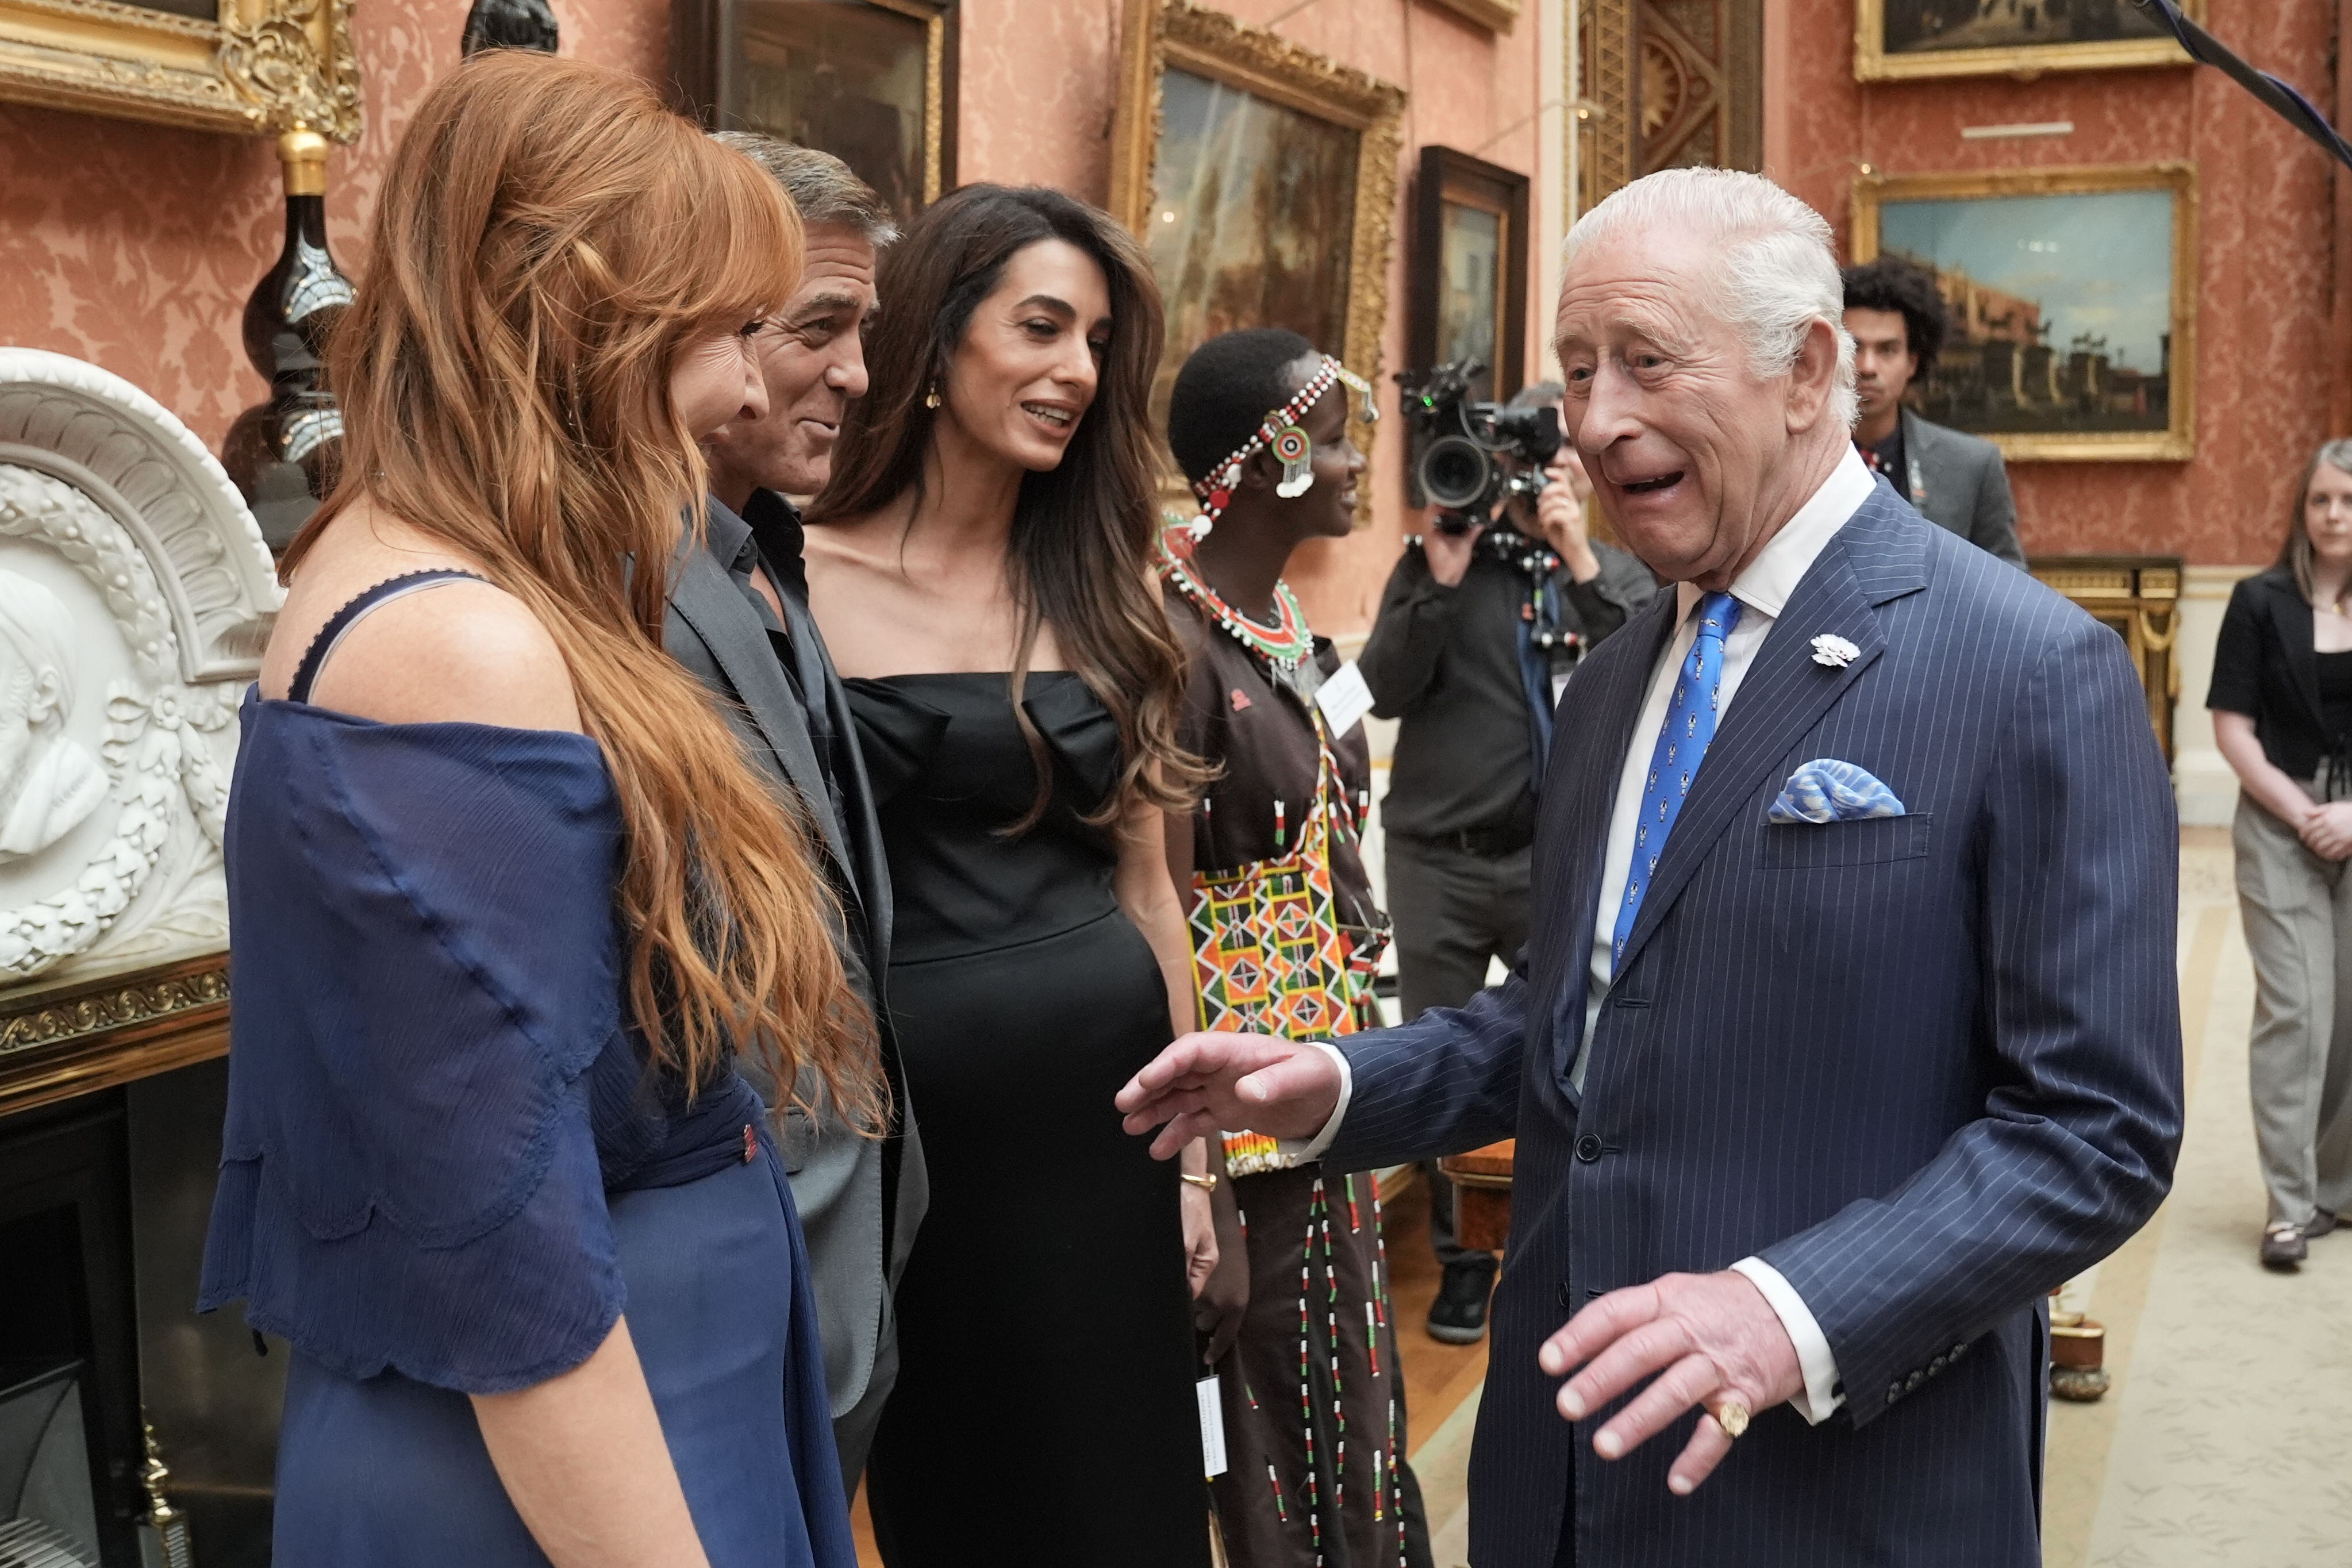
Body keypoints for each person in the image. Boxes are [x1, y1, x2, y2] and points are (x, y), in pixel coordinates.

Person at [1119, 167, 2184, 1567]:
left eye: (1643, 361)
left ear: (1807, 370)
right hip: (1558, 1467)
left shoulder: (2026, 667)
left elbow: (2093, 1129)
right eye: (1573, 370)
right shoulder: (1618, 674)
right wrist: (1338, 1081)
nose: (1597, 418)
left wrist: (1787, 1307)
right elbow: (1572, 1015)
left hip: (1834, 1484)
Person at [194, 55, 868, 1567]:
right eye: (728, 333)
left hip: (648, 1408)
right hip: (574, 1476)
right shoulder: (455, 643)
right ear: (592, 318)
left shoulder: (442, 584)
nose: (749, 390)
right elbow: (506, 1253)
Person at [801, 183, 1216, 1566]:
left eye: (1097, 342)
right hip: (912, 1149)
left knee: (1129, 1504)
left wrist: (1198, 1157)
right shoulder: (788, 578)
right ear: (929, 338)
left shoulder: (1108, 583)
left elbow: (1153, 890)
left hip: (1107, 1131)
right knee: (962, 1503)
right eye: (1041, 326)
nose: (1076, 373)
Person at [672, 132, 925, 1490]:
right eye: (819, 327)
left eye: (864, 329)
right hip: (723, 1285)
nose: (859, 374)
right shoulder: (610, 597)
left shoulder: (769, 549)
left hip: (841, 1265)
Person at [1158, 328, 1433, 1568]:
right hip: (1241, 1106)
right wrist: (1202, 1168)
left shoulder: (1280, 623)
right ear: (1266, 454)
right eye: (1328, 437)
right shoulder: (1166, 639)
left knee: (1348, 1392)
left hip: (1327, 1086)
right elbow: (1155, 903)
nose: (1351, 461)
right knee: (1269, 1418)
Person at [1360, 381, 1657, 1343]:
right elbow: (1383, 688)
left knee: (1571, 1057)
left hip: (1560, 861)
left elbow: (1659, 681)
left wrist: (1575, 553)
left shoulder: (1613, 570)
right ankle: (1458, 1260)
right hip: (1438, 860)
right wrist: (1440, 578)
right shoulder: (1441, 560)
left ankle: (1557, 1235)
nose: (1534, 476)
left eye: (1556, 458)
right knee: (1443, 1062)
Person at [2209, 437, 2352, 1270]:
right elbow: (2233, 730)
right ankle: (2289, 1206)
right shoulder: (2259, 601)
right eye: (2321, 500)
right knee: (2300, 1008)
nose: (2334, 515)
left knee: (2349, 1013)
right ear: (2302, 512)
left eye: (2348, 501)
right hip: (2280, 820)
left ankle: (2336, 1187)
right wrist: (2309, 816)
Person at [1840, 255, 2026, 568]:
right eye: (1854, 347)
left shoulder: (1973, 465)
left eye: (1887, 350)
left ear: (1913, 361)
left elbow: (2009, 592)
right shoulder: (1785, 457)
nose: (1867, 367)